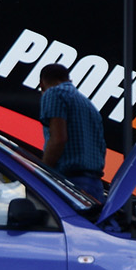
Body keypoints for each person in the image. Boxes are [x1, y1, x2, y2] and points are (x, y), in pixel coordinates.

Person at [37, 63, 107, 191]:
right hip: (95, 184)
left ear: (42, 84)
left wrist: (43, 171)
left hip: (68, 183)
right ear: (69, 79)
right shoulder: (88, 105)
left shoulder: (54, 93)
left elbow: (58, 139)